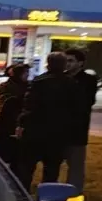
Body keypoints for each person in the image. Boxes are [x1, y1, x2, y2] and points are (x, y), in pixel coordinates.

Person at [16, 51, 80, 189]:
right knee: (52, 169)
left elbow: (29, 107)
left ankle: (24, 194)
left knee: (27, 167)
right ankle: (48, 196)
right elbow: (75, 110)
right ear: (63, 65)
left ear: (48, 64)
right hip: (58, 133)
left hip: (35, 131)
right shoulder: (71, 84)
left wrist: (22, 124)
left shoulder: (38, 82)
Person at [63, 48, 99, 194]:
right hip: (58, 129)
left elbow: (87, 102)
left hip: (77, 130)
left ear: (80, 63)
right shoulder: (61, 77)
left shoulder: (88, 80)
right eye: (66, 61)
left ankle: (74, 192)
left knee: (76, 164)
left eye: (71, 61)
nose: (67, 64)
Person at [0, 63, 29, 168]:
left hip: (21, 122)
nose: (27, 75)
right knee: (6, 150)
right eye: (25, 73)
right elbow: (5, 103)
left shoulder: (27, 86)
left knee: (18, 153)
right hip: (8, 123)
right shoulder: (6, 86)